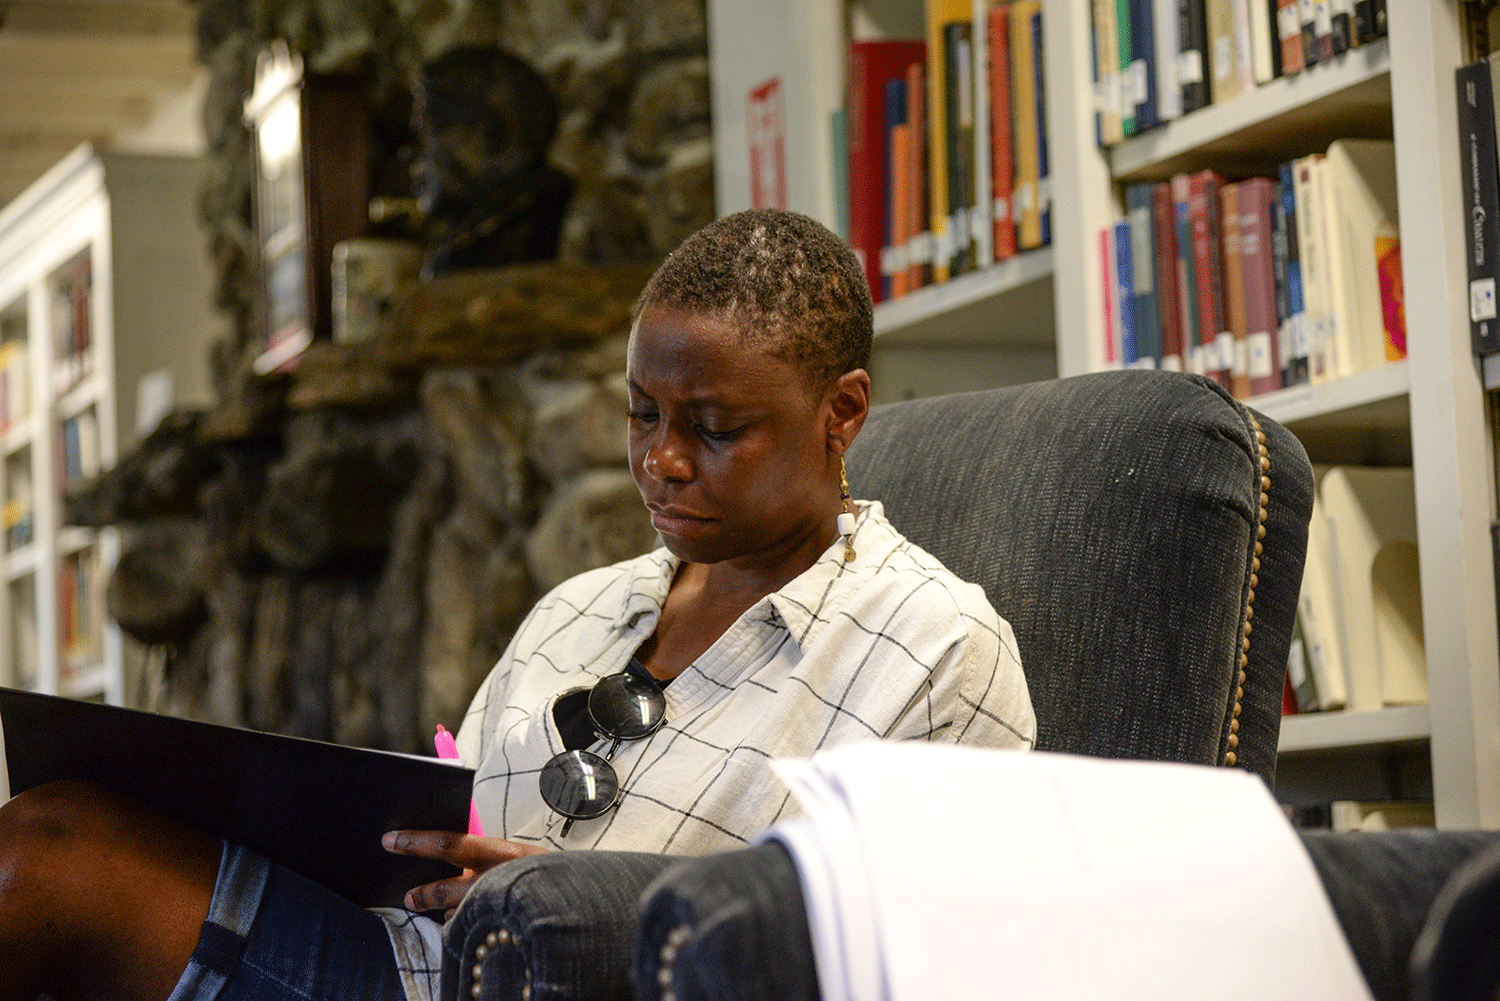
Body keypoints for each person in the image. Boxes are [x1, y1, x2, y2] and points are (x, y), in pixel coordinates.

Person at [0, 208, 1033, 1001]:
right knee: (46, 842)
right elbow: (451, 805)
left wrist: (588, 904)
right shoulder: (582, 607)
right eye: (642, 413)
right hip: (415, 965)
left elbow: (935, 950)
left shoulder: (937, 648)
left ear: (841, 410)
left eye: (714, 426)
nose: (661, 461)